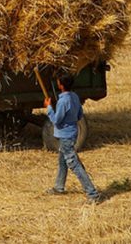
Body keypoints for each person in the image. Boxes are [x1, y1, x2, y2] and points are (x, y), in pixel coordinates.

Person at [44, 73, 104, 204]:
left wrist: (49, 108)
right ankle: (59, 187)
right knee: (62, 161)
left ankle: (92, 193)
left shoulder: (63, 101)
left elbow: (57, 121)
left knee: (75, 165)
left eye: (58, 82)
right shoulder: (75, 97)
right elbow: (79, 115)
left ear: (61, 85)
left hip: (65, 136)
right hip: (72, 133)